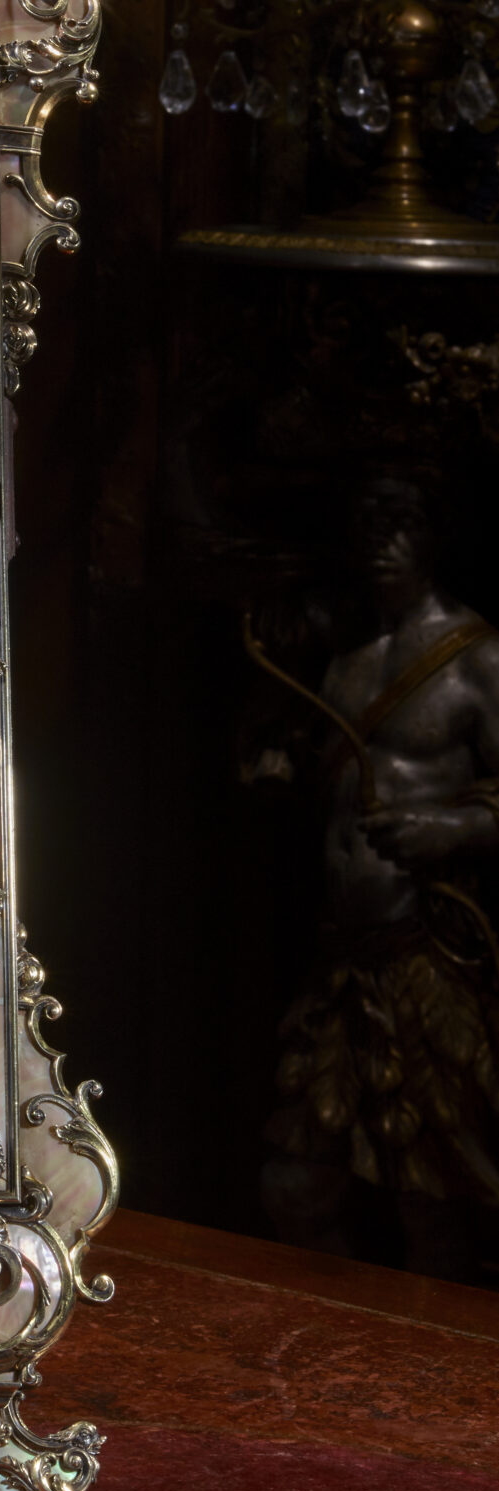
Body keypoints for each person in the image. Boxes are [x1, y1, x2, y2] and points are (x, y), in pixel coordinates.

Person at [263, 474, 499, 1276]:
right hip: (343, 961)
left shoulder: (479, 659)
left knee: (437, 1203)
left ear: (435, 536)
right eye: (367, 523)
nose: (380, 543)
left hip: (429, 955)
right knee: (294, 1186)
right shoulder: (346, 657)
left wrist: (452, 827)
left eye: (400, 523)